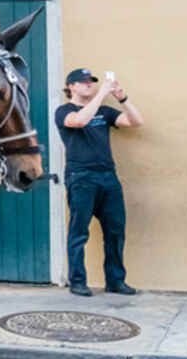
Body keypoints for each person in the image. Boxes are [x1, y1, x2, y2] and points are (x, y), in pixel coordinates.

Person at [55, 68, 145, 297]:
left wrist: (123, 99)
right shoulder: (63, 111)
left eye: (92, 82)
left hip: (108, 177)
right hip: (81, 177)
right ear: (71, 86)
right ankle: (77, 282)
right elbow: (79, 121)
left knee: (115, 231)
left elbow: (136, 121)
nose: (89, 84)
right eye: (83, 82)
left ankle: (115, 281)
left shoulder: (104, 111)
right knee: (79, 232)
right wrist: (101, 93)